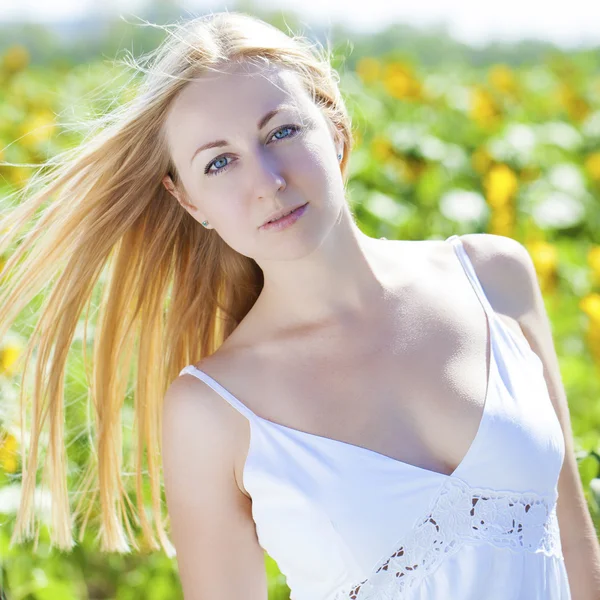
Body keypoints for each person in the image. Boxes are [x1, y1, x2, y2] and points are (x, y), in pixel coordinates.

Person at [0, 9, 596, 600]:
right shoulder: (213, 410)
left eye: (281, 131)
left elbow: (577, 550)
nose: (267, 179)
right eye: (219, 161)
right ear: (188, 202)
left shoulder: (494, 278)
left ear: (334, 126)